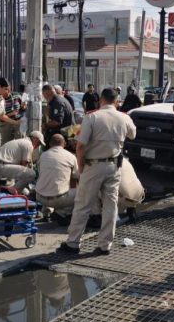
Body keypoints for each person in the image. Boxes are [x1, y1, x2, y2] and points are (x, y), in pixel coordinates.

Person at [58, 87, 136, 255]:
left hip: (93, 166)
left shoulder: (92, 118)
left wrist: (80, 166)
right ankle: (105, 245)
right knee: (110, 205)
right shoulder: (124, 117)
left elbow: (80, 146)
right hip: (114, 166)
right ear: (117, 101)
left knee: (83, 205)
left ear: (101, 100)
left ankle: (73, 243)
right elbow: (132, 135)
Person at [35, 134, 79, 221]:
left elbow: (41, 174)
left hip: (40, 197)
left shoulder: (43, 156)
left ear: (50, 144)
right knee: (83, 191)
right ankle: (63, 212)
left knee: (47, 180)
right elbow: (75, 177)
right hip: (59, 199)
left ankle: (46, 213)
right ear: (64, 144)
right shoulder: (71, 156)